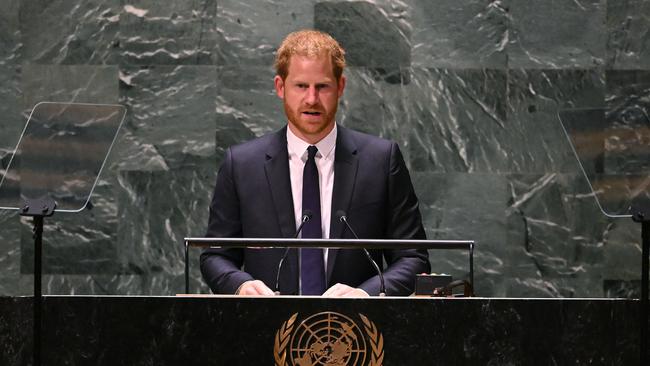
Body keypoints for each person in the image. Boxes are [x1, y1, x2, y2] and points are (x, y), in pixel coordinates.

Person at [200, 29, 430, 297]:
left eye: (322, 86)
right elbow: (215, 256)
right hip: (264, 328)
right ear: (280, 87)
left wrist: (365, 294)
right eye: (301, 86)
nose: (311, 99)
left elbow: (414, 259)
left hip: (358, 330)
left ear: (340, 87)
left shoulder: (380, 161)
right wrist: (240, 285)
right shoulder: (241, 165)